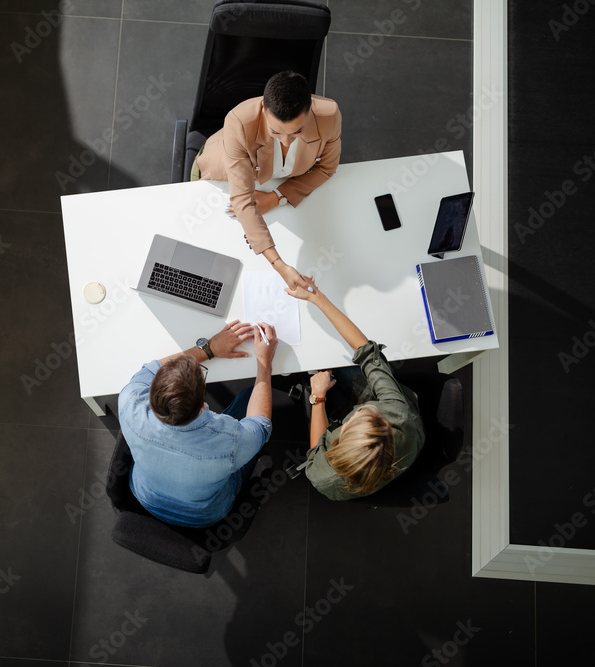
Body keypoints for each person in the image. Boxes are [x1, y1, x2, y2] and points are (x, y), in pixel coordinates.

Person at [118, 320, 278, 527]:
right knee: (249, 397)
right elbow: (261, 425)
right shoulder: (229, 442)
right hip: (204, 515)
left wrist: (210, 348)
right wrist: (265, 364)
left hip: (145, 496)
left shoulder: (130, 399)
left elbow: (153, 368)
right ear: (203, 404)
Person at [193, 70, 342, 291]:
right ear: (263, 108)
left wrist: (277, 197)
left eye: (297, 132)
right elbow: (243, 199)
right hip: (224, 177)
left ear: (310, 109)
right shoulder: (238, 122)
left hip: (277, 181)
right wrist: (279, 265)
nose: (286, 141)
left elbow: (327, 168)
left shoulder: (329, 115)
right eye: (276, 132)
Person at [284, 277, 425, 500]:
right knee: (337, 358)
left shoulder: (322, 477)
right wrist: (316, 297)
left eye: (356, 417)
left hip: (337, 414)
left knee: (318, 358)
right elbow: (367, 353)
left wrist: (317, 397)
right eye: (373, 414)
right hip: (400, 422)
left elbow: (315, 454)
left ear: (338, 441)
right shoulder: (396, 415)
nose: (362, 410)